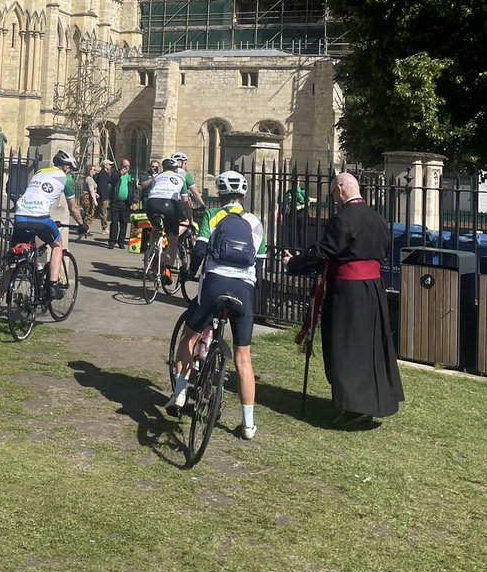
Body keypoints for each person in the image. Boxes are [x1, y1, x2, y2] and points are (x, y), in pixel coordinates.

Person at [284, 172, 404, 426]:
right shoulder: (378, 218)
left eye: (332, 193)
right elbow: (383, 249)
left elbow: (324, 251)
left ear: (339, 190)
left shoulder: (342, 219)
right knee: (369, 346)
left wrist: (294, 263)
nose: (334, 198)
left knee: (346, 346)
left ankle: (354, 407)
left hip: (348, 292)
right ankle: (370, 400)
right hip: (373, 290)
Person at [166, 170, 265, 441]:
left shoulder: (212, 215)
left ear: (220, 194)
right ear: (243, 194)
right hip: (244, 290)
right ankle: (248, 425)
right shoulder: (256, 222)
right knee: (243, 357)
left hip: (214, 285)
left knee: (189, 335)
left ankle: (180, 393)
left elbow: (199, 250)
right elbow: (259, 264)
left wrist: (189, 273)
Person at [0, 149, 87, 333]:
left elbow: (36, 195)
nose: (71, 172)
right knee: (57, 245)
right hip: (41, 218)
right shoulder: (67, 179)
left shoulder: (40, 172)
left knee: (13, 265)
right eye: (70, 168)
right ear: (66, 167)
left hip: (21, 216)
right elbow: (73, 208)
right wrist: (82, 224)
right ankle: (52, 285)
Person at [144, 158, 193, 284]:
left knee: (155, 228)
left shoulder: (157, 177)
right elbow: (185, 202)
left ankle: (152, 254)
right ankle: (167, 269)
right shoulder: (180, 178)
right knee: (173, 240)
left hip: (151, 203)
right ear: (176, 169)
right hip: (169, 205)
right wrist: (190, 219)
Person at [108, 157, 137, 249]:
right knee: (114, 222)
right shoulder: (116, 174)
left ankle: (121, 241)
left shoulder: (130, 177)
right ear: (121, 166)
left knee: (124, 223)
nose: (126, 168)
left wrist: (134, 201)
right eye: (124, 166)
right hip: (116, 202)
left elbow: (134, 190)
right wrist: (119, 174)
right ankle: (112, 242)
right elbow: (111, 181)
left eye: (128, 166)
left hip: (126, 203)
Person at [94, 160, 113, 231]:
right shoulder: (102, 174)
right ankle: (104, 228)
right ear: (105, 165)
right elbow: (102, 186)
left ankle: (85, 223)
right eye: (109, 164)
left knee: (98, 211)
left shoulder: (105, 174)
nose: (111, 166)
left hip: (103, 196)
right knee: (104, 212)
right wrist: (102, 196)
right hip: (102, 196)